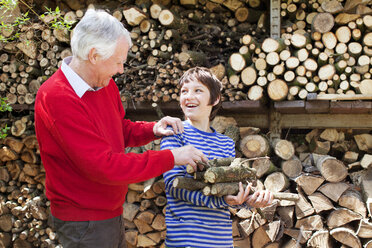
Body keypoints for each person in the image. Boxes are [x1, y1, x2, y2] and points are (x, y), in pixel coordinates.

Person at [34, 9, 208, 248]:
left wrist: (152, 129)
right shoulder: (56, 97)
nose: (121, 70)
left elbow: (118, 129)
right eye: (118, 62)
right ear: (94, 55)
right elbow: (103, 166)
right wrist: (171, 157)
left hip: (109, 212)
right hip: (83, 221)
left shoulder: (103, 84)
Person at [161, 67, 274, 248]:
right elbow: (174, 186)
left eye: (198, 90)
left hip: (220, 241)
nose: (189, 96)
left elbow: (229, 191)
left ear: (215, 99)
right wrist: (219, 200)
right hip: (186, 240)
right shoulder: (174, 134)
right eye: (184, 91)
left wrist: (248, 200)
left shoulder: (225, 144)